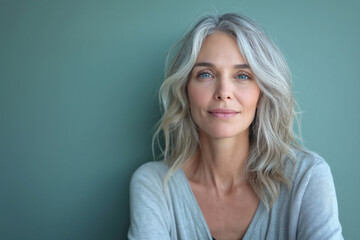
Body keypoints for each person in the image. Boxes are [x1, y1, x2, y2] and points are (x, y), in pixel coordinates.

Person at [128, 13, 343, 240]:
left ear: (262, 92)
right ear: (185, 90)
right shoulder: (154, 185)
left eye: (242, 75)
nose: (223, 92)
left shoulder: (307, 178)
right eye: (205, 74)